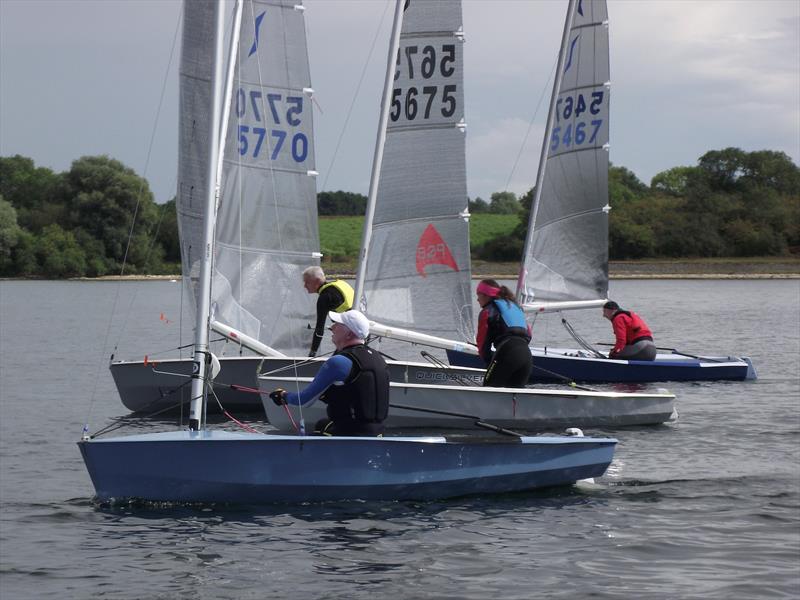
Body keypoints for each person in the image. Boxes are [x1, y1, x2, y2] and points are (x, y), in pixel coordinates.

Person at [270, 309, 389, 436]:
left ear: (349, 334)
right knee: (323, 424)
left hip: (350, 436)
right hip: (378, 434)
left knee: (317, 430)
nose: (332, 327)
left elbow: (304, 401)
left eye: (337, 324)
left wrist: (283, 396)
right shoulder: (379, 359)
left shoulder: (339, 362)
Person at [475, 279, 532, 387]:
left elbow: (482, 345)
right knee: (513, 399)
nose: (477, 299)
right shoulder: (515, 307)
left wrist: (490, 362)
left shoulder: (487, 311)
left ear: (486, 295)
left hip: (507, 352)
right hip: (526, 355)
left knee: (488, 392)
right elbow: (529, 335)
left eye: (478, 295)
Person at [302, 266, 354, 357]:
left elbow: (319, 329)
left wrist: (312, 353)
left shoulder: (324, 297)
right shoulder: (340, 284)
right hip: (361, 332)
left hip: (350, 337)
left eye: (307, 282)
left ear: (317, 281)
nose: (305, 286)